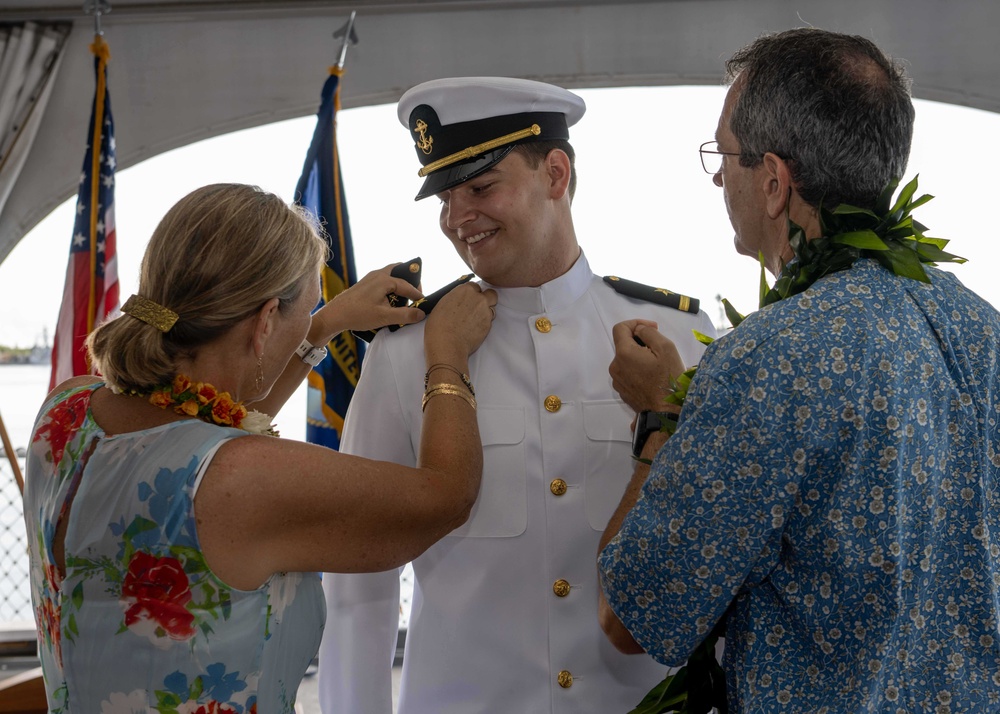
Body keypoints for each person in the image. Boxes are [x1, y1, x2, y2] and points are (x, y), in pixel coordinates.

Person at [598, 28, 1000, 712]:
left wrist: (663, 419)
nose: (721, 175)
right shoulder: (984, 331)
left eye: (723, 155)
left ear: (776, 182)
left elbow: (634, 616)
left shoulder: (770, 358)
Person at [317, 77, 716, 713]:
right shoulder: (400, 354)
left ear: (555, 173)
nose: (457, 217)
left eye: (480, 187)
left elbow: (716, 551)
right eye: (445, 198)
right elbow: (358, 575)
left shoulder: (682, 339)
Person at [22, 183, 497, 712]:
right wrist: (448, 355)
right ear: (267, 321)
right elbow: (446, 495)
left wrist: (325, 322)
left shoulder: (64, 415)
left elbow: (200, 417)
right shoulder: (239, 475)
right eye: (302, 309)